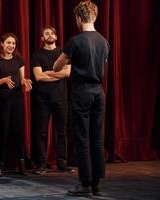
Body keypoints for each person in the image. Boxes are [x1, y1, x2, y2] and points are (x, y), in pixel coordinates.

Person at [53, 1, 110, 197]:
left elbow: (56, 67)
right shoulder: (104, 41)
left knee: (82, 138)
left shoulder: (74, 41)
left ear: (78, 18)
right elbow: (101, 62)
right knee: (97, 138)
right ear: (95, 16)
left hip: (81, 93)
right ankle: (96, 184)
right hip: (98, 93)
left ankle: (85, 183)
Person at [31, 26, 74, 175]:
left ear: (56, 36)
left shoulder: (63, 53)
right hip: (42, 99)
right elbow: (38, 77)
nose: (50, 35)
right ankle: (41, 164)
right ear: (42, 38)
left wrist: (48, 72)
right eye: (46, 33)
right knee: (41, 132)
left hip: (60, 97)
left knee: (61, 131)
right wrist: (56, 74)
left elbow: (67, 73)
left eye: (52, 33)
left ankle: (62, 163)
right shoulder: (37, 55)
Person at [0, 33, 32, 177]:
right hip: (2, 100)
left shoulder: (19, 59)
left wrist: (25, 82)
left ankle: (21, 164)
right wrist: (3, 80)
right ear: (2, 44)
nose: (11, 46)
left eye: (13, 43)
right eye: (8, 43)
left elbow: (21, 79)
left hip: (17, 99)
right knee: (3, 131)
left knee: (18, 131)